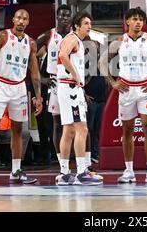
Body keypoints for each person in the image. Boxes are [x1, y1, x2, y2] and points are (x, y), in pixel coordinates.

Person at [100, 7, 147, 184]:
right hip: (126, 90)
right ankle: (129, 171)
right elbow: (102, 62)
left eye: (141, 19)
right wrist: (112, 82)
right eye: (134, 19)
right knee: (127, 130)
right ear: (127, 22)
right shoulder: (119, 41)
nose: (138, 22)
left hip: (145, 89)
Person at [0, 9, 43, 185]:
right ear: (13, 19)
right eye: (19, 18)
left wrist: (38, 96)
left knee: (18, 130)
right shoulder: (2, 36)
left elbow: (35, 72)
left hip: (19, 87)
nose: (21, 21)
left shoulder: (31, 43)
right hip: (0, 84)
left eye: (25, 18)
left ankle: (16, 170)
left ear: (28, 22)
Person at [56, 11, 102, 185]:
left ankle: (64, 173)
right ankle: (82, 172)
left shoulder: (78, 41)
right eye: (86, 23)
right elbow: (62, 56)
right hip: (69, 86)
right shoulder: (72, 38)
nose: (89, 26)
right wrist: (75, 75)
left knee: (69, 130)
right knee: (82, 128)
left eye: (90, 23)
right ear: (77, 25)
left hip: (69, 87)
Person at [36, 5, 72, 165]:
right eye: (62, 15)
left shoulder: (76, 35)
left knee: (76, 123)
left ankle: (78, 159)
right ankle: (60, 161)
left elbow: (91, 59)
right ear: (57, 17)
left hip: (72, 81)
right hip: (55, 81)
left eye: (67, 15)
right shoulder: (48, 35)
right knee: (57, 123)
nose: (65, 18)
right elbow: (28, 55)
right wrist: (41, 79)